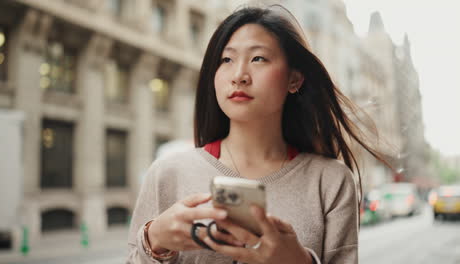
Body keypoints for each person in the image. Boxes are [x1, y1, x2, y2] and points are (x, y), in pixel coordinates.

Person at [127, 4, 389, 264]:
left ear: (294, 79)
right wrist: (154, 241)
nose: (239, 75)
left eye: (258, 58)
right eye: (226, 60)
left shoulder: (331, 181)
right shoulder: (167, 174)